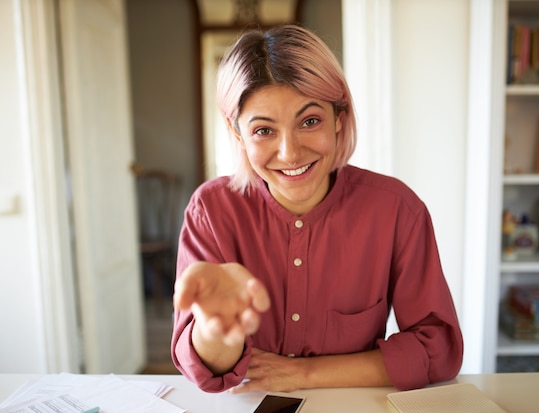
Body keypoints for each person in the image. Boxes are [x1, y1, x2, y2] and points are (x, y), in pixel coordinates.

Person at [171, 24, 463, 394]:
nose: (290, 153)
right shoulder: (210, 211)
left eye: (310, 121)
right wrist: (215, 328)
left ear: (339, 118)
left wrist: (306, 375)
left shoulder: (397, 210)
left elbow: (439, 349)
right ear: (236, 134)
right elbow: (204, 372)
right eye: (264, 130)